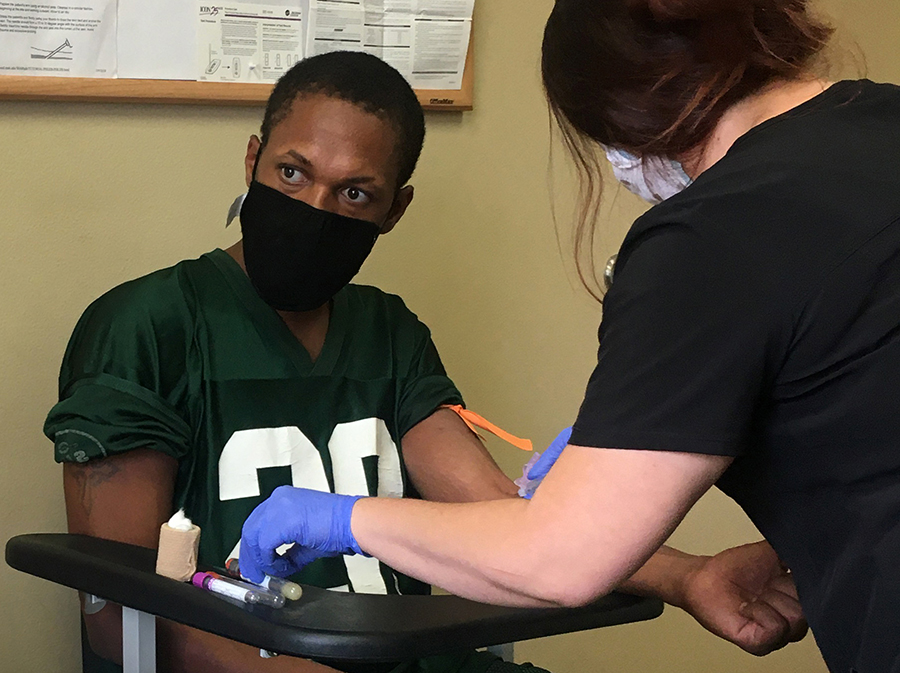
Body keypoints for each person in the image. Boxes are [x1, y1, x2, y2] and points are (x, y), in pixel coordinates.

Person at [45, 51, 800, 673]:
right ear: (253, 161)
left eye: (355, 192)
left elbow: (495, 512)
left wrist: (689, 575)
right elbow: (123, 615)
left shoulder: (390, 332)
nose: (316, 208)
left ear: (393, 209)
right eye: (292, 173)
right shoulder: (144, 327)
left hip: (408, 654)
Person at [239, 2, 900, 672]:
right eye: (292, 173)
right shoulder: (882, 122)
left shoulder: (715, 235)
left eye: (356, 192)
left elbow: (554, 549)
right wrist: (808, 537)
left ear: (614, 109)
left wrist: (341, 519)